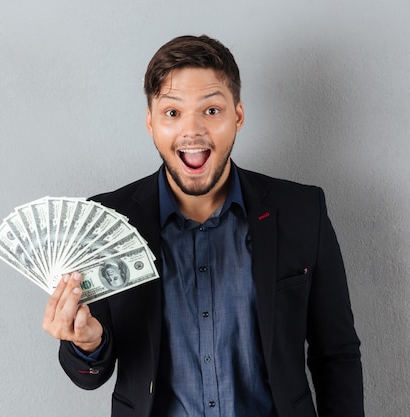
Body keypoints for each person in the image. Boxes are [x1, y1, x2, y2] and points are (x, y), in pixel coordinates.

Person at [43, 34, 364, 417]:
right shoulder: (108, 221)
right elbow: (89, 375)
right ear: (150, 122)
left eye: (211, 110)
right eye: (172, 113)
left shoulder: (302, 211)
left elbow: (337, 355)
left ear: (238, 116)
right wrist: (87, 344)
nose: (191, 131)